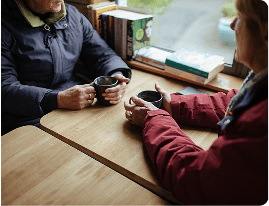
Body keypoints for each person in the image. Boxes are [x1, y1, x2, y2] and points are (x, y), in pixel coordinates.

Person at [124, 0, 268, 205]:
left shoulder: (262, 125)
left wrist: (154, 119)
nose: (233, 25)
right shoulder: (260, 81)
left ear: (266, 32)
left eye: (241, 17)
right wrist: (174, 104)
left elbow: (196, 180)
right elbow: (234, 101)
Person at [1, 0, 131, 135]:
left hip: (74, 107)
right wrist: (57, 99)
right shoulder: (3, 24)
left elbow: (103, 55)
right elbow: (4, 88)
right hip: (24, 119)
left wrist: (116, 75)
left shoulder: (73, 15)